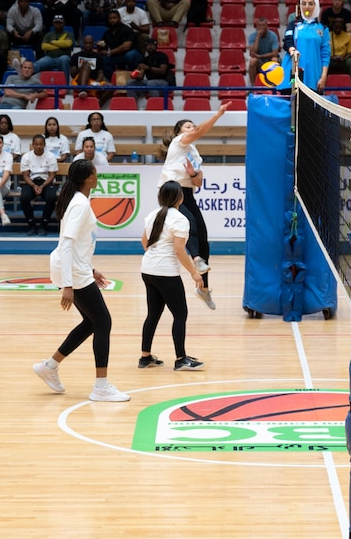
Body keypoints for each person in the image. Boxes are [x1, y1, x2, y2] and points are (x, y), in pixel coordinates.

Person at [35, 159, 129, 402]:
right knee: (103, 322)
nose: (97, 176)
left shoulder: (79, 201)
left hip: (77, 269)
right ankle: (101, 387)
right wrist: (68, 284)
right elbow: (66, 245)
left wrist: (91, 268)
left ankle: (50, 366)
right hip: (72, 273)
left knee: (91, 322)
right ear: (88, 177)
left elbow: (78, 246)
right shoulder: (79, 204)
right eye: (95, 173)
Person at [163, 103, 229, 309]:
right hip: (171, 189)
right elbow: (200, 131)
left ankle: (204, 288)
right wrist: (218, 114)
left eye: (192, 126)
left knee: (203, 237)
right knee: (188, 224)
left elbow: (198, 182)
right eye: (187, 126)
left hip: (187, 192)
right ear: (179, 132)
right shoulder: (178, 143)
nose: (191, 129)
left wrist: (193, 173)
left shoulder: (195, 153)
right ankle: (196, 259)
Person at [139, 181, 208, 372]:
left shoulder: (153, 214)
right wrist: (194, 273)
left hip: (148, 270)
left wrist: (154, 257)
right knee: (180, 314)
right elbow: (179, 250)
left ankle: (145, 357)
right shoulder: (180, 219)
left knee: (153, 314)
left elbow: (144, 241)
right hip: (166, 273)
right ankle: (180, 359)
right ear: (181, 197)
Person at [285, 0, 331, 92]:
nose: (307, 7)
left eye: (311, 4)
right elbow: (287, 41)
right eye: (304, 3)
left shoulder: (323, 29)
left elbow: (325, 55)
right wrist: (292, 50)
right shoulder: (294, 25)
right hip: (295, 72)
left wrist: (323, 77)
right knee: (293, 105)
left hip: (314, 75)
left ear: (316, 6)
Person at [18, 134, 59, 235]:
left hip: (46, 182)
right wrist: (33, 186)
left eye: (41, 144)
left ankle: (43, 224)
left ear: (45, 145)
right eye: (36, 144)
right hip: (32, 182)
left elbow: (52, 175)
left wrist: (42, 186)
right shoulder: (26, 157)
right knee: (24, 197)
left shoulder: (51, 156)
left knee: (52, 197)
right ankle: (31, 224)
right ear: (33, 145)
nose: (39, 146)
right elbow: (26, 175)